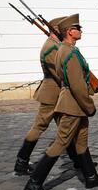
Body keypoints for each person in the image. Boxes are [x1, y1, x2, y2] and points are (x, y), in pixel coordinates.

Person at [24, 14, 98, 190]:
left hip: (73, 103)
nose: (81, 31)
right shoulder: (69, 52)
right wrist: (89, 106)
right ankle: (35, 181)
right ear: (69, 32)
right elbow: (77, 85)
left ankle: (91, 177)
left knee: (81, 142)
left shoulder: (65, 49)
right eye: (78, 28)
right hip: (73, 104)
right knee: (61, 142)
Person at [14, 16, 83, 175]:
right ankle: (21, 161)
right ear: (57, 30)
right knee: (40, 126)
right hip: (52, 93)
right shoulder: (51, 48)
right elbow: (60, 73)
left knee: (65, 128)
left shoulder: (55, 45)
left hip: (58, 92)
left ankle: (78, 160)